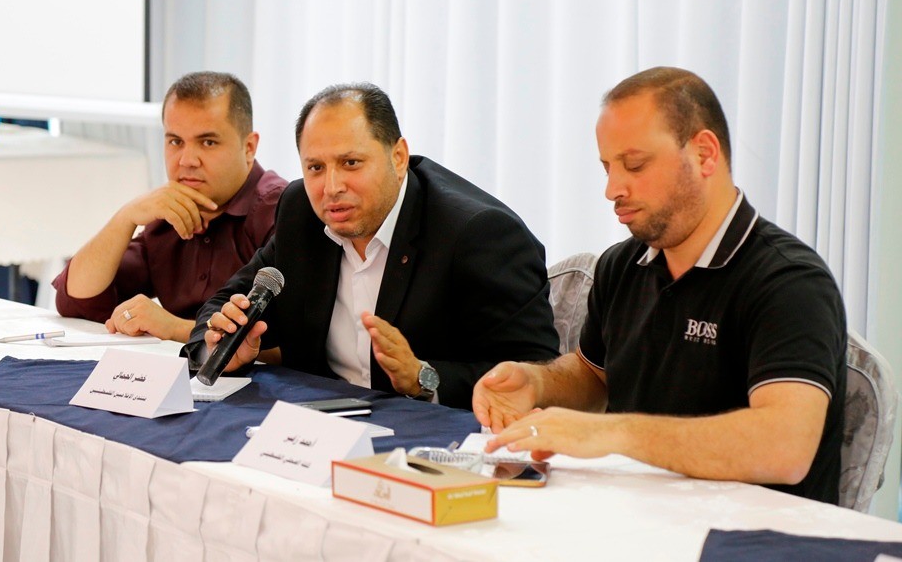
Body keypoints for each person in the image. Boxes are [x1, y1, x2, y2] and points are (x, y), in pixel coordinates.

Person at [474, 67, 847, 504]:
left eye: (634, 164)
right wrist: (537, 383)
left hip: (751, 531)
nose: (612, 189)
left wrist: (612, 432)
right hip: (636, 514)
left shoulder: (789, 282)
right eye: (607, 168)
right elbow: (595, 375)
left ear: (705, 154)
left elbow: (785, 447)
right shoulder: (622, 265)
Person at [181, 82, 558, 409]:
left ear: (398, 157)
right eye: (315, 168)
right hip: (320, 429)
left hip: (434, 437)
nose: (331, 188)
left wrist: (424, 377)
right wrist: (219, 348)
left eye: (350, 163)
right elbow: (223, 304)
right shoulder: (301, 212)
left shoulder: (478, 233)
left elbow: (537, 373)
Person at [53, 71, 287, 342]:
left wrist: (174, 328)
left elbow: (295, 342)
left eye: (208, 142)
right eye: (175, 141)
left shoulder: (281, 210)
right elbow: (76, 300)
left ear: (249, 147)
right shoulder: (171, 212)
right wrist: (126, 217)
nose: (187, 160)